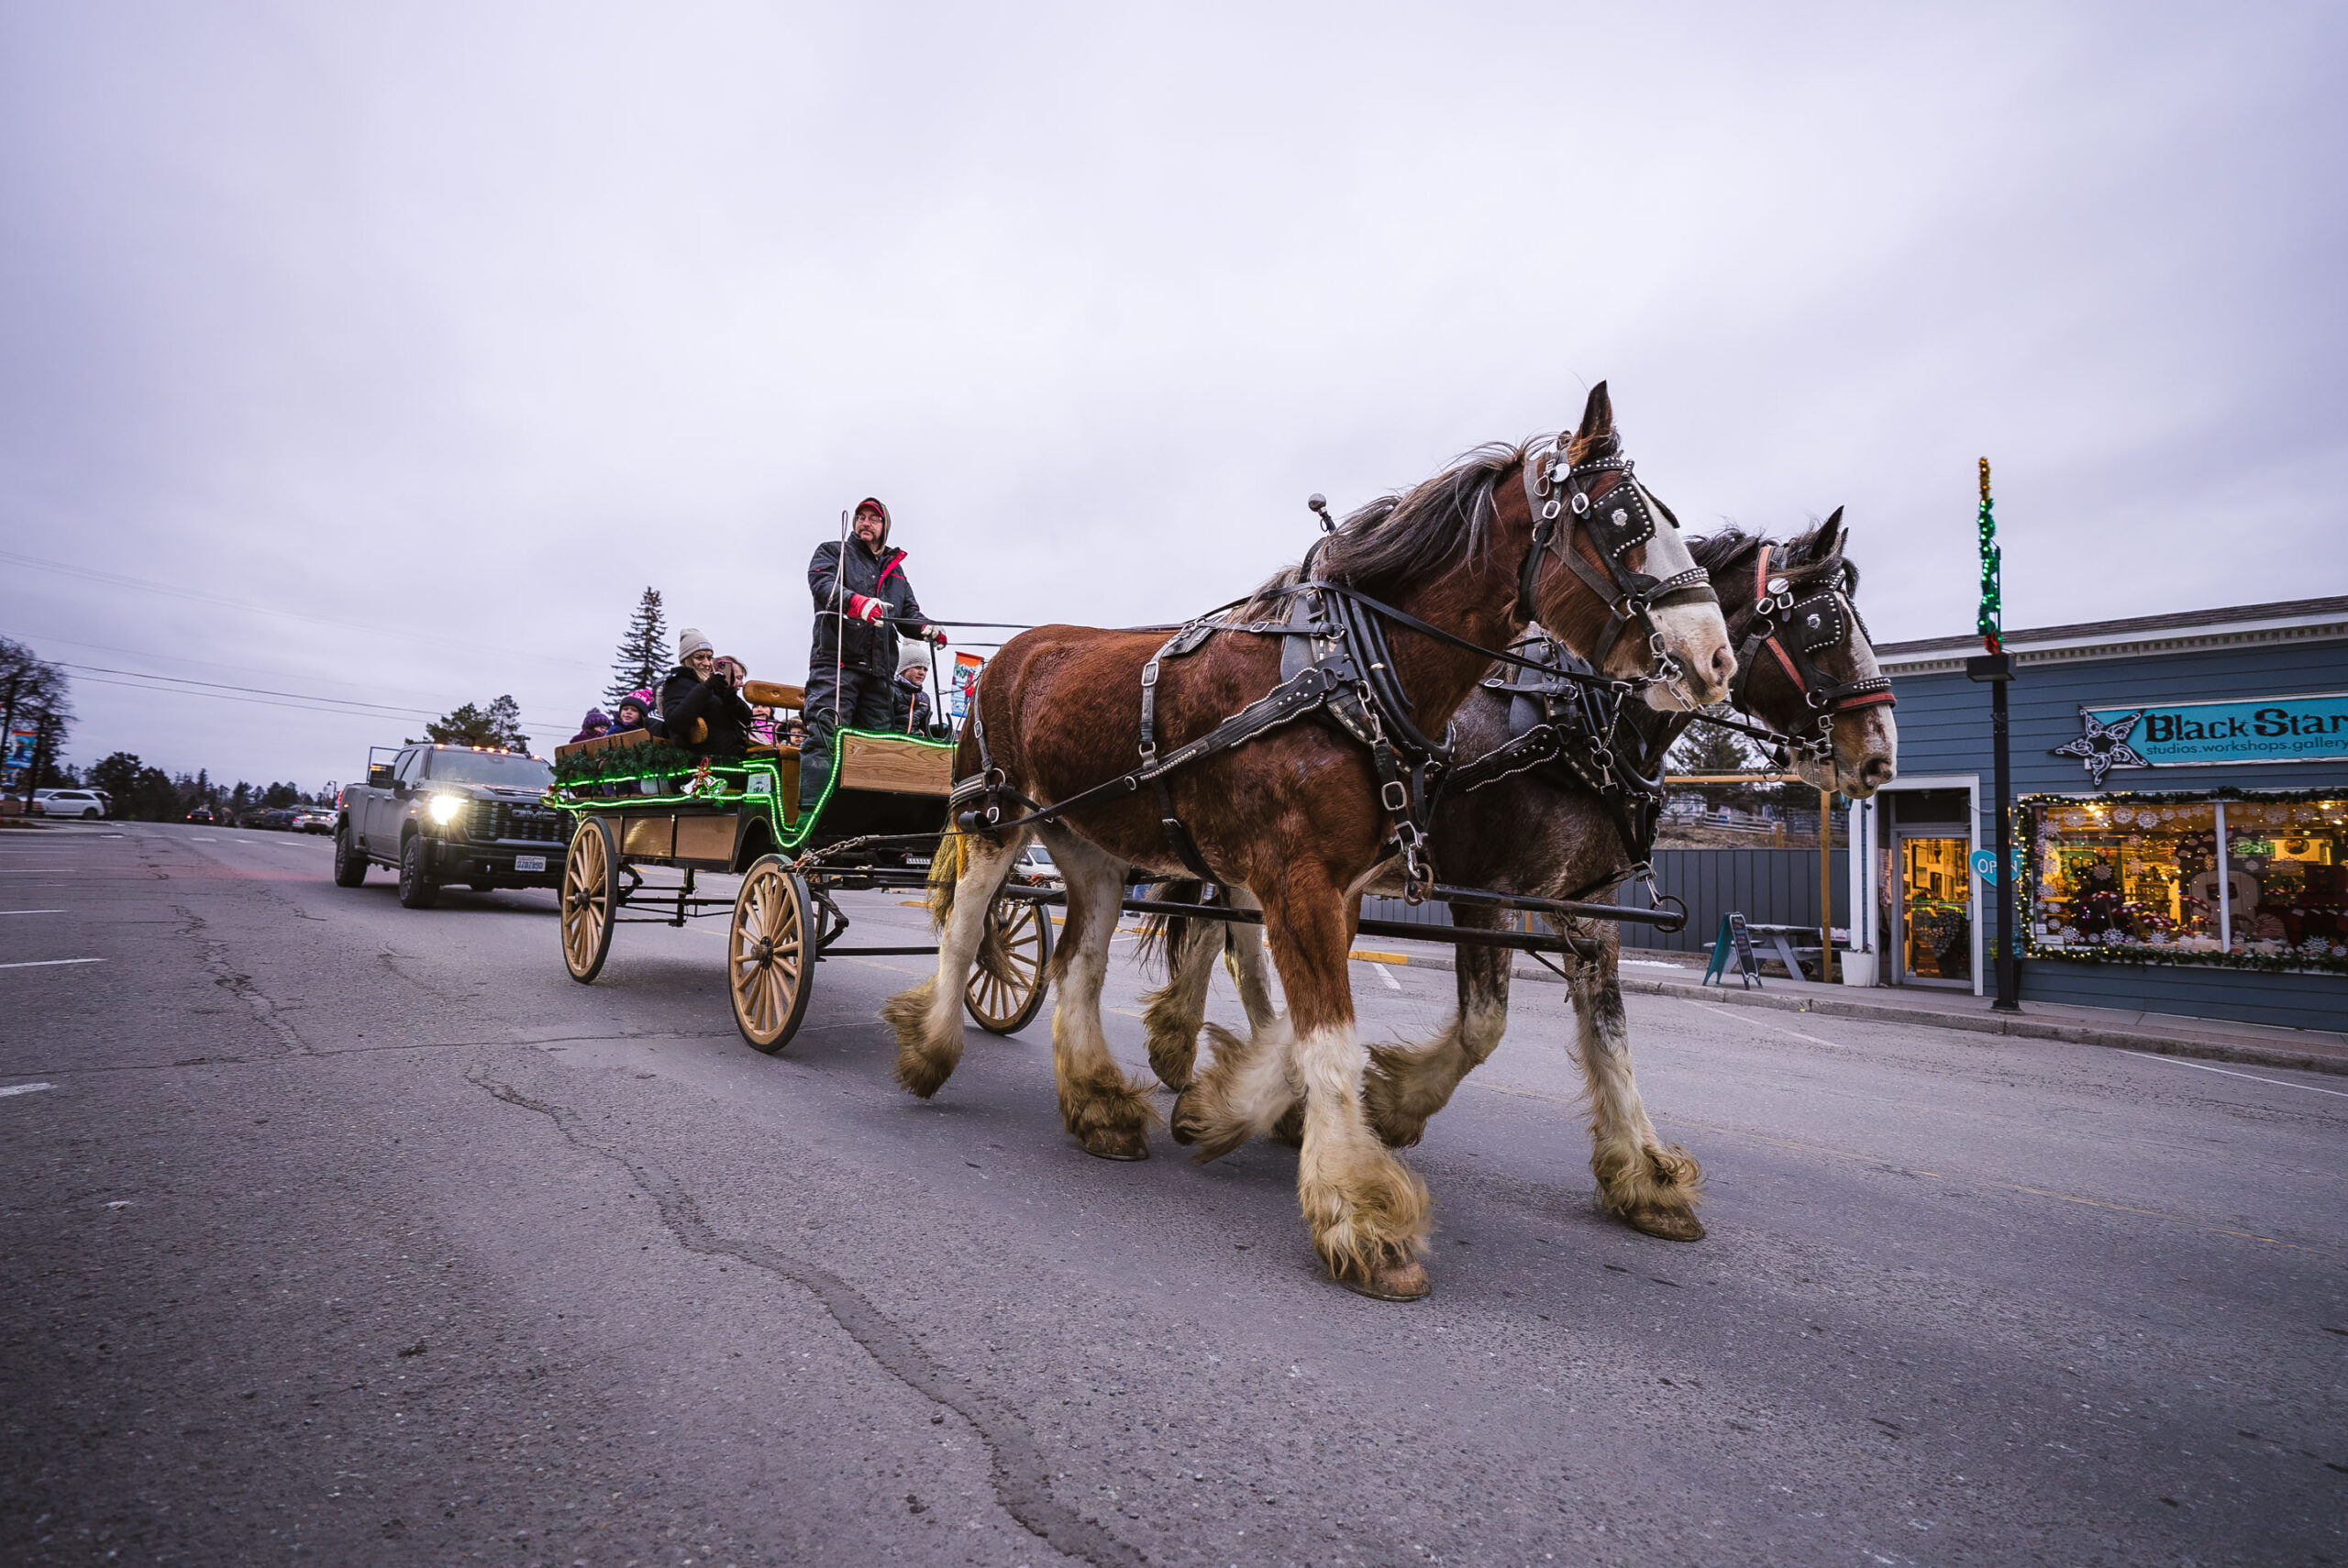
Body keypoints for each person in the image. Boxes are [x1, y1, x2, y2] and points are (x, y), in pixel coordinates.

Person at [803, 496, 945, 808]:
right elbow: (823, 586)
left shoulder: (895, 570)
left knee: (878, 746)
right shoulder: (832, 552)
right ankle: (811, 814)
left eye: (873, 518)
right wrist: (857, 603)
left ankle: (869, 813)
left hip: (879, 672)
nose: (865, 522)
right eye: (861, 517)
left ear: (885, 526)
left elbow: (907, 613)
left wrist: (926, 628)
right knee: (825, 736)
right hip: (836, 664)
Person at [660, 627, 756, 759]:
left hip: (734, 756)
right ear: (686, 659)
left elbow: (748, 719)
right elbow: (675, 723)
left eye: (710, 657)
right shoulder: (677, 684)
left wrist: (729, 695)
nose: (706, 663)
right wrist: (705, 688)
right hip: (705, 761)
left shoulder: (715, 683)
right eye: (699, 657)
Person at [892, 645, 936, 735]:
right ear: (903, 669)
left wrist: (935, 730)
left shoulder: (924, 698)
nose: (922, 673)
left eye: (925, 669)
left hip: (914, 741)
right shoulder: (891, 690)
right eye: (917, 667)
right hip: (888, 740)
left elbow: (923, 728)